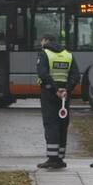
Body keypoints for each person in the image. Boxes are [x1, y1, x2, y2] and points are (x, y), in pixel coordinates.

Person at [36, 33, 80, 169]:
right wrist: (67, 89)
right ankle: (60, 157)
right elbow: (76, 75)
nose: (41, 43)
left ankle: (52, 158)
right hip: (65, 96)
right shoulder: (68, 55)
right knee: (62, 124)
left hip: (49, 93)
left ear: (46, 41)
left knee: (51, 124)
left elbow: (43, 74)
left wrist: (55, 90)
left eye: (42, 41)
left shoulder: (44, 54)